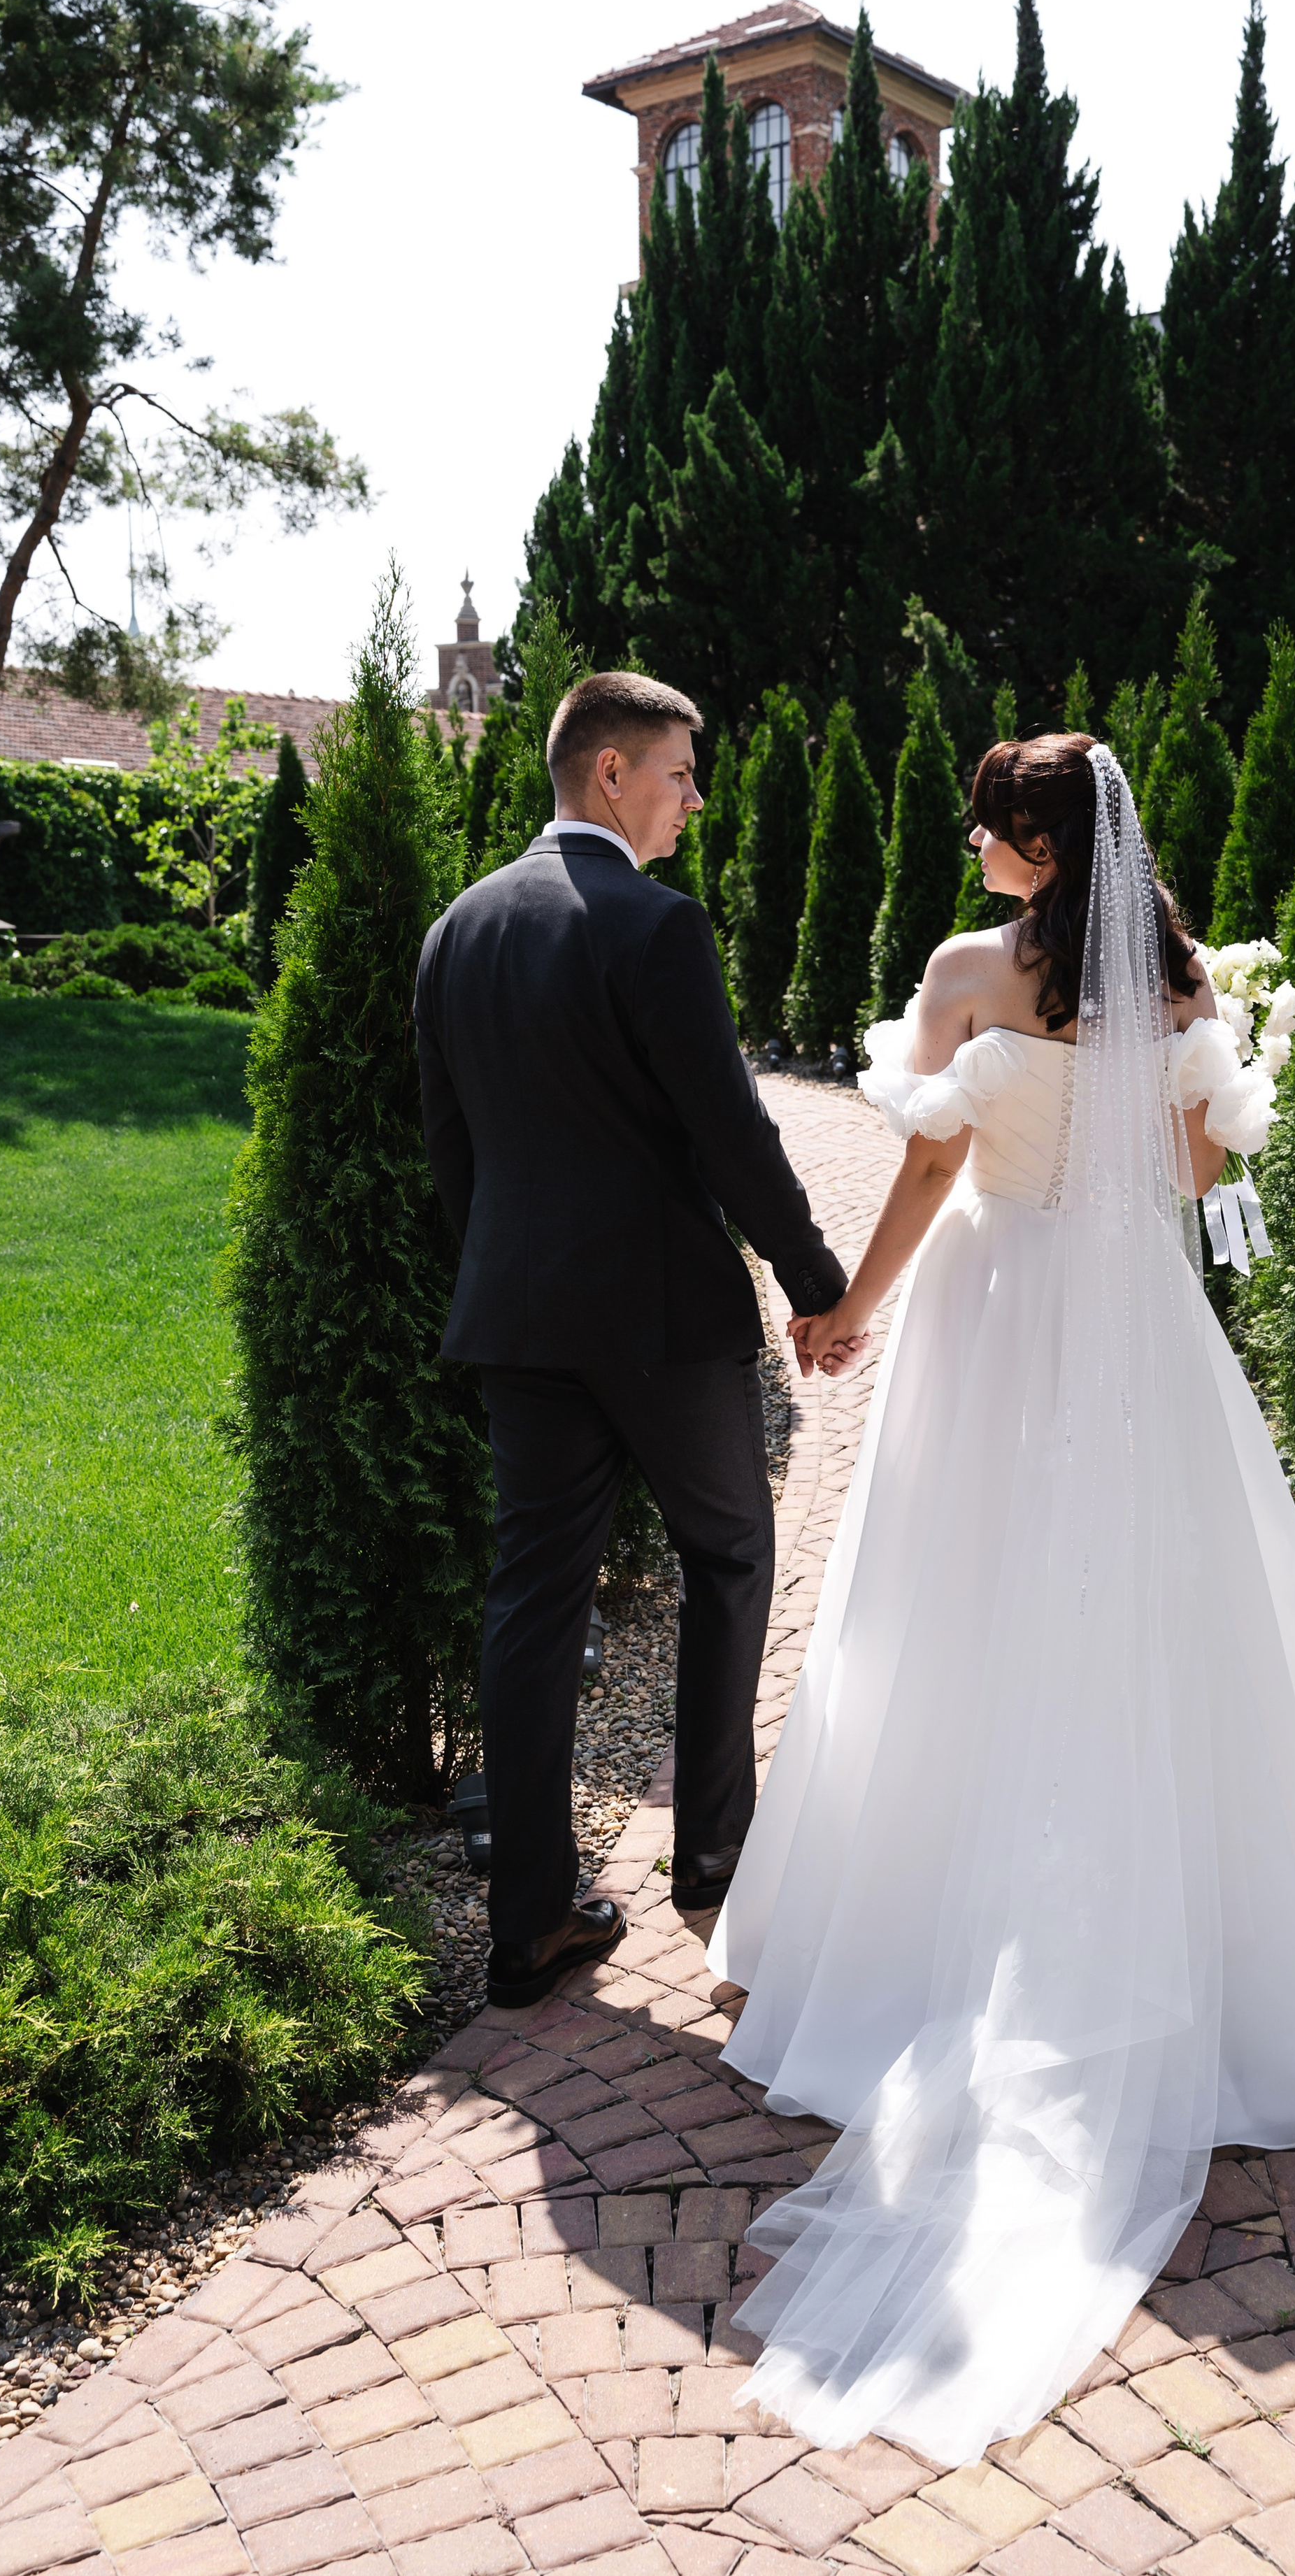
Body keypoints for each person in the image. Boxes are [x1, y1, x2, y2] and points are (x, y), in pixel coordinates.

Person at [708, 731, 1295, 2464]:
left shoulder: (959, 973)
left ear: (1025, 837)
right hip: (1136, 1338)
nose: (973, 845)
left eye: (987, 823)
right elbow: (1196, 1181)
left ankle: (907, 1934)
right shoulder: (1182, 975)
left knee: (951, 1611)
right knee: (1183, 1618)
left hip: (995, 1320)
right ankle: (1246, 1954)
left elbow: (927, 1167)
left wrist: (846, 1308)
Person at [415, 671, 847, 2010]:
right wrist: (816, 1276)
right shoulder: (655, 928)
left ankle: (531, 1921)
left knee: (532, 1598)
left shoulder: (457, 930)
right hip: (663, 1322)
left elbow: (452, 1153)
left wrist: (504, 1275)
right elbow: (732, 1132)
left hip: (519, 1319)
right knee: (728, 1555)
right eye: (679, 774)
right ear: (611, 773)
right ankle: (718, 1870)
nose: (695, 800)